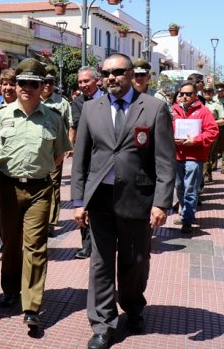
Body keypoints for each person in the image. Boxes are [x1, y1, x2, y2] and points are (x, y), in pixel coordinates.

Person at [71, 54, 175, 349]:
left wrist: (161, 202)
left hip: (138, 199)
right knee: (100, 264)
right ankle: (103, 324)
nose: (111, 77)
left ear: (130, 74)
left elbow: (165, 160)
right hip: (100, 199)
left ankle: (133, 307)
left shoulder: (154, 108)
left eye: (117, 72)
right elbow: (80, 160)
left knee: (135, 262)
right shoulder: (91, 109)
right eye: (106, 73)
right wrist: (78, 201)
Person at [0, 58, 71, 328]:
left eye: (33, 84)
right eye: (22, 82)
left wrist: (37, 169)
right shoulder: (1, 115)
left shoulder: (54, 118)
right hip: (8, 187)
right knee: (11, 244)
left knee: (35, 246)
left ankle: (32, 306)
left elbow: (59, 155)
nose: (26, 88)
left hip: (39, 189)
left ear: (41, 86)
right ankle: (10, 289)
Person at [171, 81, 219, 234]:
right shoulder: (173, 110)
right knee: (179, 187)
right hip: (177, 155)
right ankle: (185, 212)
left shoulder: (203, 111)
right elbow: (164, 129)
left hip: (194, 156)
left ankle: (187, 219)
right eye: (182, 94)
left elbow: (212, 131)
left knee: (190, 189)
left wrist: (196, 140)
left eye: (188, 94)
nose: (184, 97)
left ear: (195, 95)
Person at [69, 66, 104, 260]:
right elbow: (78, 128)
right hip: (87, 159)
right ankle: (87, 244)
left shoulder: (108, 99)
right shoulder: (78, 103)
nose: (83, 85)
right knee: (84, 201)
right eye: (80, 82)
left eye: (86, 81)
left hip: (107, 159)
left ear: (97, 81)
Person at [40, 65, 71, 238]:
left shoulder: (62, 102)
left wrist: (68, 147)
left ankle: (51, 222)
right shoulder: (33, 99)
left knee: (53, 186)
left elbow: (69, 126)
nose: (47, 85)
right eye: (44, 81)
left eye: (51, 82)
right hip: (36, 152)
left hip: (54, 151)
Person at [202, 86, 224, 184]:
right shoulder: (198, 103)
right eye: (205, 91)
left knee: (207, 154)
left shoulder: (217, 105)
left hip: (210, 132)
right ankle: (206, 175)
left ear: (213, 93)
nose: (206, 93)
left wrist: (210, 123)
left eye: (209, 91)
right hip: (198, 132)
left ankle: (206, 176)